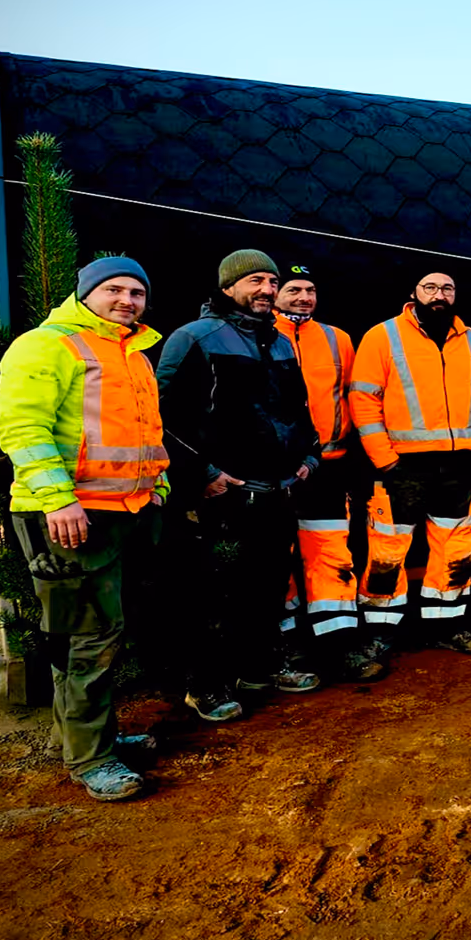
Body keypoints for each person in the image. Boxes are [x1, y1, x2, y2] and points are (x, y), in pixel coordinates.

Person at [0, 257, 168, 802]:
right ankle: (92, 758)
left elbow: (141, 435)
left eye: (137, 292)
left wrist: (156, 490)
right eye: (114, 289)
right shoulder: (47, 345)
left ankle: (96, 738)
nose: (127, 300)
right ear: (86, 294)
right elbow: (23, 428)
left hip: (127, 511)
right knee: (87, 638)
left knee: (109, 632)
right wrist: (58, 501)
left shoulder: (133, 353)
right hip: (70, 515)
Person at [156, 250, 323, 722]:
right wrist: (202, 473)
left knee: (266, 586)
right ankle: (203, 686)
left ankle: (256, 670)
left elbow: (298, 409)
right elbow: (162, 418)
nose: (267, 289)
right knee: (210, 593)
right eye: (255, 280)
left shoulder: (280, 342)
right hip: (223, 495)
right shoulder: (195, 338)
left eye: (272, 281)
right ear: (228, 286)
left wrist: (310, 456)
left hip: (276, 491)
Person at [349, 270, 471, 654]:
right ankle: (380, 632)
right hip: (402, 466)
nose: (439, 295)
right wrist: (386, 462)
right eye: (430, 288)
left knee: (456, 549)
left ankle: (446, 625)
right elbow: (363, 400)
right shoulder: (383, 336)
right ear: (413, 294)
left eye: (447, 288)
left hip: (460, 465)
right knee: (388, 551)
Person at [273, 264, 384, 682]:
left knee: (331, 554)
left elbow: (354, 397)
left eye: (311, 290)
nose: (303, 297)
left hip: (330, 468)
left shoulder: (338, 339)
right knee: (277, 558)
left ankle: (339, 642)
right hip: (275, 473)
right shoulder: (255, 335)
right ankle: (288, 647)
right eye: (294, 289)